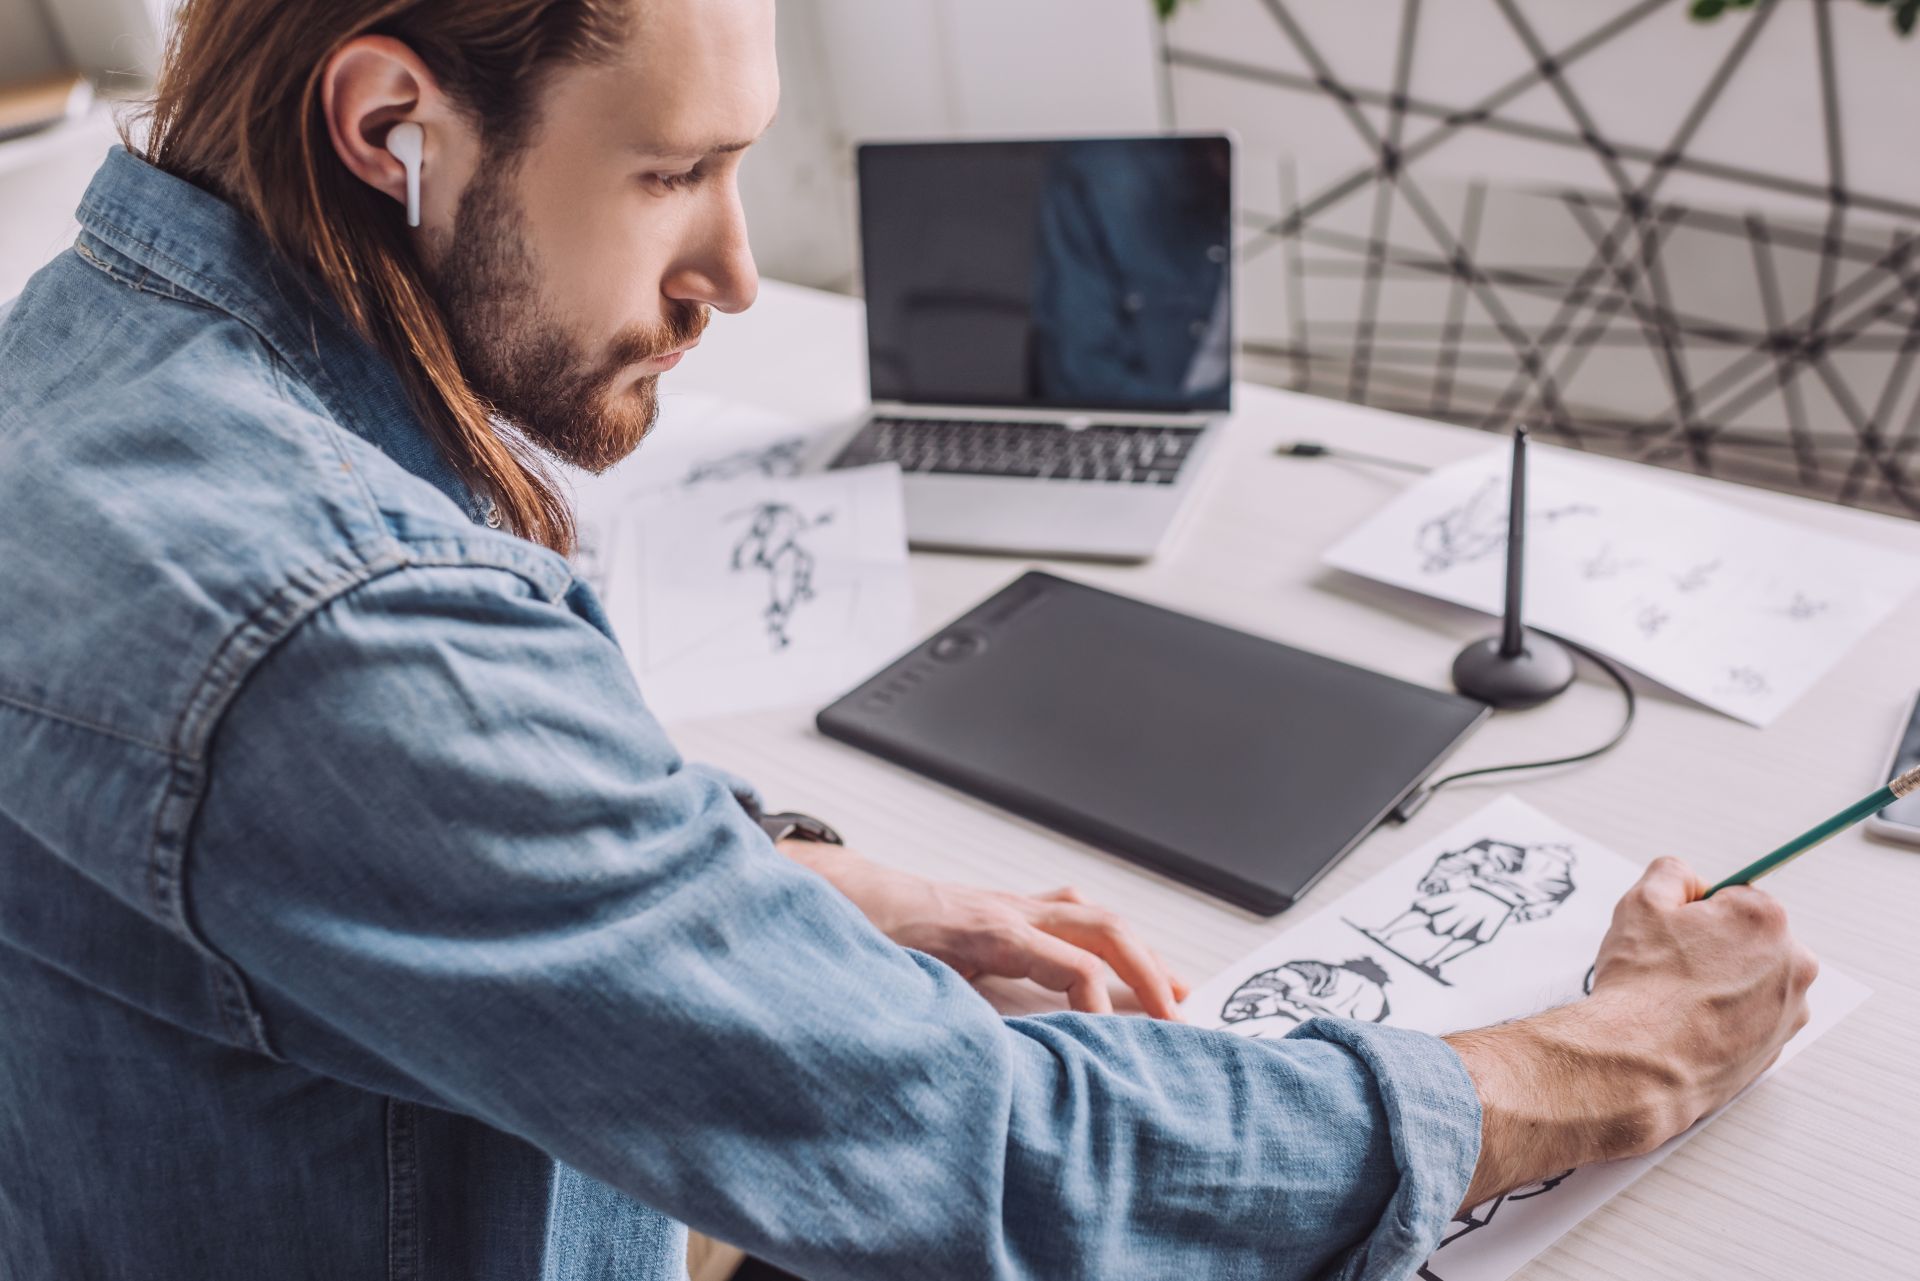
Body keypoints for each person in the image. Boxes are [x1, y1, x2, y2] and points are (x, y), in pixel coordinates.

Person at [0, 2, 1818, 1278]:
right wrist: (1618, 1053)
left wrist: (788, 873)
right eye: (670, 175)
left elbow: (389, 793)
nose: (735, 275)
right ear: (392, 125)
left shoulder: (90, 341)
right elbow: (1001, 1162)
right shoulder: (347, 635)